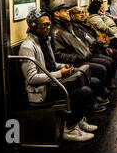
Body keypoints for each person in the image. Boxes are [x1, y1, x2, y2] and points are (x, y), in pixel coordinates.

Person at [19, 8, 98, 142]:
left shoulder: (45, 40)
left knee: (89, 79)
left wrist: (63, 67)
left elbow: (52, 64)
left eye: (49, 24)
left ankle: (78, 121)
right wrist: (59, 74)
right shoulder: (28, 47)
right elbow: (32, 78)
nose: (48, 27)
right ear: (33, 26)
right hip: (41, 91)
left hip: (52, 82)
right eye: (44, 25)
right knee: (85, 91)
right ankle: (70, 129)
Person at [47, 0, 111, 107]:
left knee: (106, 62)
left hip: (82, 56)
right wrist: (77, 57)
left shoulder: (66, 26)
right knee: (101, 68)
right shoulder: (56, 32)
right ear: (56, 13)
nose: (67, 13)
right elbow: (59, 54)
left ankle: (100, 92)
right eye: (64, 11)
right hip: (74, 62)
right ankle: (93, 100)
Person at [69, 5, 117, 90]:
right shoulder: (72, 29)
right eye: (79, 13)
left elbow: (93, 40)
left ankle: (108, 83)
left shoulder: (83, 26)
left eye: (83, 12)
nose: (82, 15)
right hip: (85, 54)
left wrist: (105, 46)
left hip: (92, 49)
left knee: (114, 55)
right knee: (105, 64)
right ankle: (102, 87)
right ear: (72, 16)